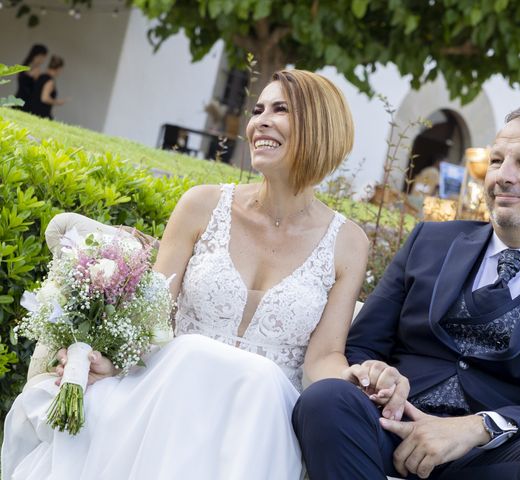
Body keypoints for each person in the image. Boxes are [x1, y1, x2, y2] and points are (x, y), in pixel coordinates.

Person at [2, 69, 369, 479]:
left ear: (321, 128)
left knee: (261, 378)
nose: (260, 121)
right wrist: (111, 359)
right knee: (193, 352)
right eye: (258, 109)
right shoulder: (202, 205)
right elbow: (153, 315)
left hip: (261, 418)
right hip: (173, 388)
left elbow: (323, 359)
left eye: (280, 109)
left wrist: (360, 380)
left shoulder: (349, 243)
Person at [293, 104, 520, 480]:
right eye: (497, 160)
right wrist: (377, 377)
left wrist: (479, 427)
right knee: (326, 400)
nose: (503, 176)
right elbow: (363, 347)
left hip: (494, 460)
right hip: (392, 431)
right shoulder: (429, 241)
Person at [29, 55, 67, 119]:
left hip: (32, 110)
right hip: (41, 114)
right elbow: (44, 98)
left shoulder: (40, 76)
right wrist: (57, 102)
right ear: (59, 69)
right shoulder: (50, 81)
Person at [15, 44, 48, 113]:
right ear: (38, 56)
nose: (44, 60)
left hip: (18, 99)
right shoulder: (35, 69)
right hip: (26, 101)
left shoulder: (24, 66)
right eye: (43, 57)